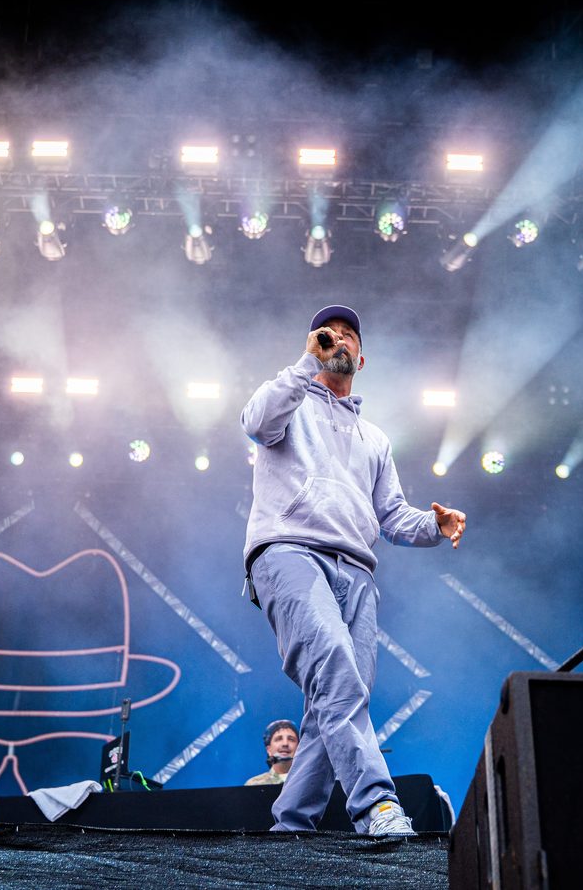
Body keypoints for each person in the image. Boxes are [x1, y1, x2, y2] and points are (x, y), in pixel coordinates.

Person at [240, 304, 467, 838]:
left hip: (358, 573)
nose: (338, 339)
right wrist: (302, 365)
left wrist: (436, 525)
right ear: (313, 343)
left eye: (348, 336)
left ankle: (290, 827)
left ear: (362, 359)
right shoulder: (290, 401)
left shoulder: (376, 439)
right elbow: (255, 422)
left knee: (338, 698)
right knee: (337, 670)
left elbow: (392, 516)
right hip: (290, 552)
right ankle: (377, 807)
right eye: (328, 333)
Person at [244, 719, 299, 786]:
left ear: (299, 747)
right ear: (268, 749)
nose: (285, 743)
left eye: (291, 739)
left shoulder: (310, 782)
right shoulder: (254, 785)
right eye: (279, 739)